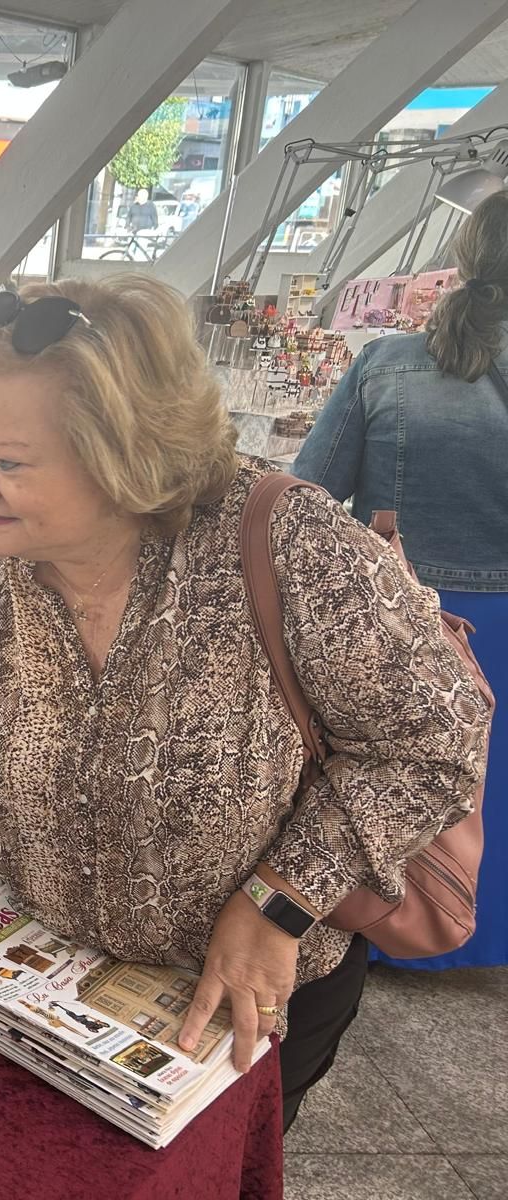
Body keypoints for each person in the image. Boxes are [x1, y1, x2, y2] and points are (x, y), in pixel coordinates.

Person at [0, 275, 489, 1132]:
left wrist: (281, 901)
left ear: (124, 452)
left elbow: (434, 741)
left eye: (8, 462)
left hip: (247, 996)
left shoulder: (292, 545)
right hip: (40, 982)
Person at [295, 191, 508, 970]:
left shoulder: (389, 364)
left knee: (404, 780)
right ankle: (481, 935)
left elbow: (308, 492)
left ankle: (395, 928)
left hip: (405, 622)